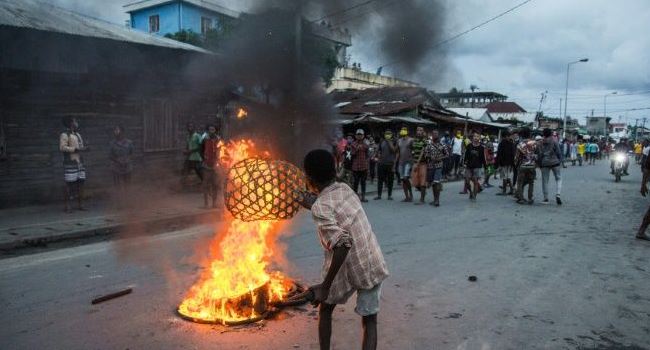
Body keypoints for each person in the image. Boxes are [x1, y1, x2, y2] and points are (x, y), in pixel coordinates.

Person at [298, 149, 390, 350]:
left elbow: (343, 244)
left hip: (346, 262)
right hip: (369, 260)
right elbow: (333, 207)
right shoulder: (345, 189)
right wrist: (314, 204)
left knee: (325, 309)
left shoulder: (320, 207)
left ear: (309, 178)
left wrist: (325, 285)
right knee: (370, 320)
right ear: (334, 170)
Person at [60, 117, 89, 212]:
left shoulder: (78, 135)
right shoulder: (64, 135)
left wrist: (85, 148)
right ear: (71, 123)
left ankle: (81, 204)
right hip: (70, 163)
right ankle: (67, 206)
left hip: (80, 163)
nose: (77, 123)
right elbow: (62, 148)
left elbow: (80, 147)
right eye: (75, 121)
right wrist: (75, 149)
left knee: (81, 183)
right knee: (69, 184)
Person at [423, 130, 448, 206]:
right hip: (430, 166)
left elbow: (447, 154)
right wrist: (429, 157)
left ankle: (437, 201)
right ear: (432, 135)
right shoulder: (429, 145)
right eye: (433, 134)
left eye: (436, 134)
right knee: (433, 184)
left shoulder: (442, 145)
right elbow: (425, 154)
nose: (435, 135)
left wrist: (440, 158)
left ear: (438, 135)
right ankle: (435, 200)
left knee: (436, 182)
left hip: (438, 166)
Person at [538, 128, 563, 205]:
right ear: (551, 133)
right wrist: (560, 161)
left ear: (544, 134)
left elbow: (540, 154)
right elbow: (558, 152)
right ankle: (558, 194)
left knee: (545, 181)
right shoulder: (555, 141)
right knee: (558, 178)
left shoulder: (541, 142)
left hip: (545, 162)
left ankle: (546, 199)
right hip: (555, 162)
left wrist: (540, 163)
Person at [514, 128, 537, 205]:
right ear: (529, 134)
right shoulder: (534, 143)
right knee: (531, 182)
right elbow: (537, 154)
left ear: (521, 135)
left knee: (520, 182)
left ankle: (521, 198)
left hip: (522, 165)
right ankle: (530, 198)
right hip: (532, 165)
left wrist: (515, 164)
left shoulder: (520, 145)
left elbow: (516, 157)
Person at [109, 125, 134, 191]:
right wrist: (118, 160)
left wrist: (127, 160)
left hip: (127, 167)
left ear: (122, 132)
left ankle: (127, 198)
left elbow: (132, 154)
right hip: (116, 168)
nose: (115, 132)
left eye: (117, 130)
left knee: (127, 185)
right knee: (117, 187)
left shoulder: (129, 143)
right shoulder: (112, 143)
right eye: (115, 130)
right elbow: (110, 156)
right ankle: (119, 199)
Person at [202, 125, 221, 209]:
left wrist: (218, 162)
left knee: (215, 185)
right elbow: (200, 150)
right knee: (205, 185)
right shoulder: (204, 139)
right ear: (208, 131)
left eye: (213, 129)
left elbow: (220, 151)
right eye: (210, 129)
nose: (211, 131)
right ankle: (206, 203)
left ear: (215, 130)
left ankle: (214, 203)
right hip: (206, 166)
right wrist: (203, 158)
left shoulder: (218, 140)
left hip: (215, 166)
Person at [374, 130, 397, 200]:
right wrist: (377, 156)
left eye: (389, 134)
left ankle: (389, 195)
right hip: (381, 163)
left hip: (390, 164)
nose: (387, 135)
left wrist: (389, 142)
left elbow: (394, 151)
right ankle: (379, 195)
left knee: (390, 180)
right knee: (380, 180)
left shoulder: (394, 141)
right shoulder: (381, 142)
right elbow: (377, 150)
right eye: (386, 134)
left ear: (391, 135)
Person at [463, 131, 486, 200]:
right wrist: (464, 163)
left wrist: (485, 167)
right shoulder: (469, 146)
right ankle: (471, 192)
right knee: (467, 181)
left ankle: (474, 196)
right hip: (469, 166)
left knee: (475, 181)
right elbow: (466, 156)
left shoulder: (482, 148)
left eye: (477, 136)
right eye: (474, 136)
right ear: (472, 138)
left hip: (477, 166)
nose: (476, 138)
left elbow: (483, 158)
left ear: (479, 138)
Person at [351, 129, 370, 202]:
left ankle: (363, 197)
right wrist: (356, 149)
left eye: (361, 135)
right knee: (355, 182)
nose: (359, 136)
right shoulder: (353, 144)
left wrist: (367, 164)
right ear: (356, 136)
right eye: (358, 135)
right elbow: (352, 154)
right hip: (355, 167)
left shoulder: (366, 144)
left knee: (363, 182)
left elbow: (368, 155)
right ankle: (355, 197)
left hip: (363, 166)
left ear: (363, 136)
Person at [411, 126, 428, 204]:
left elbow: (422, 152)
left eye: (421, 130)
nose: (419, 131)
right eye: (418, 130)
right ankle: (423, 192)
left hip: (422, 163)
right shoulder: (414, 141)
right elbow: (413, 151)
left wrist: (416, 163)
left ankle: (422, 199)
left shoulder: (425, 141)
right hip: (415, 163)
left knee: (422, 181)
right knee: (415, 182)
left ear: (423, 132)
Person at [396, 127, 414, 202]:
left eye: (404, 130)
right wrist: (395, 162)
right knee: (403, 179)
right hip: (401, 162)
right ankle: (406, 196)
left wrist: (413, 161)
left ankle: (411, 194)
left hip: (408, 161)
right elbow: (398, 152)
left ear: (407, 131)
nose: (403, 131)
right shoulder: (399, 141)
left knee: (406, 178)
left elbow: (414, 150)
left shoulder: (411, 140)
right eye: (402, 130)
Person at [496, 130, 516, 196]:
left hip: (504, 162)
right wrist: (513, 163)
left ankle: (504, 191)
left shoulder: (502, 143)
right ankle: (511, 190)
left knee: (505, 177)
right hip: (510, 163)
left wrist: (497, 163)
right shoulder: (511, 143)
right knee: (508, 176)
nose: (509, 137)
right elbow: (513, 154)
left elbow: (499, 154)